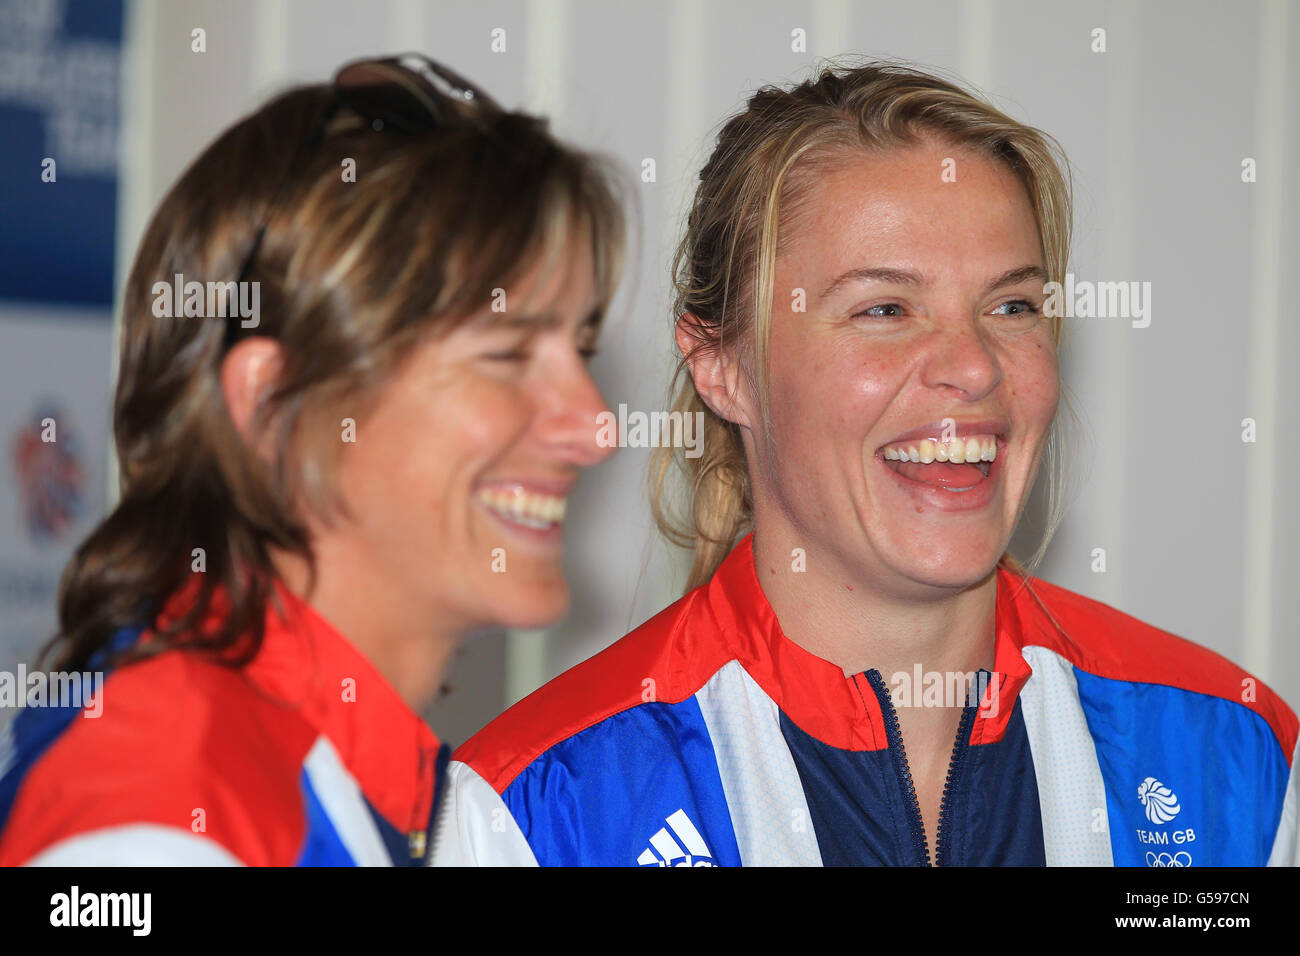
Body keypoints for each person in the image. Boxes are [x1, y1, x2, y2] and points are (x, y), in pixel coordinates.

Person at [433, 60, 1298, 867]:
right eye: (885, 308)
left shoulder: (1232, 758)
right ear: (722, 368)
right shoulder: (540, 811)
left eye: (1011, 304)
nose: (974, 365)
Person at [0, 54, 625, 866]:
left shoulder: (413, 799)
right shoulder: (158, 817)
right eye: (508, 354)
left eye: (582, 348)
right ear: (272, 408)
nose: (597, 427)